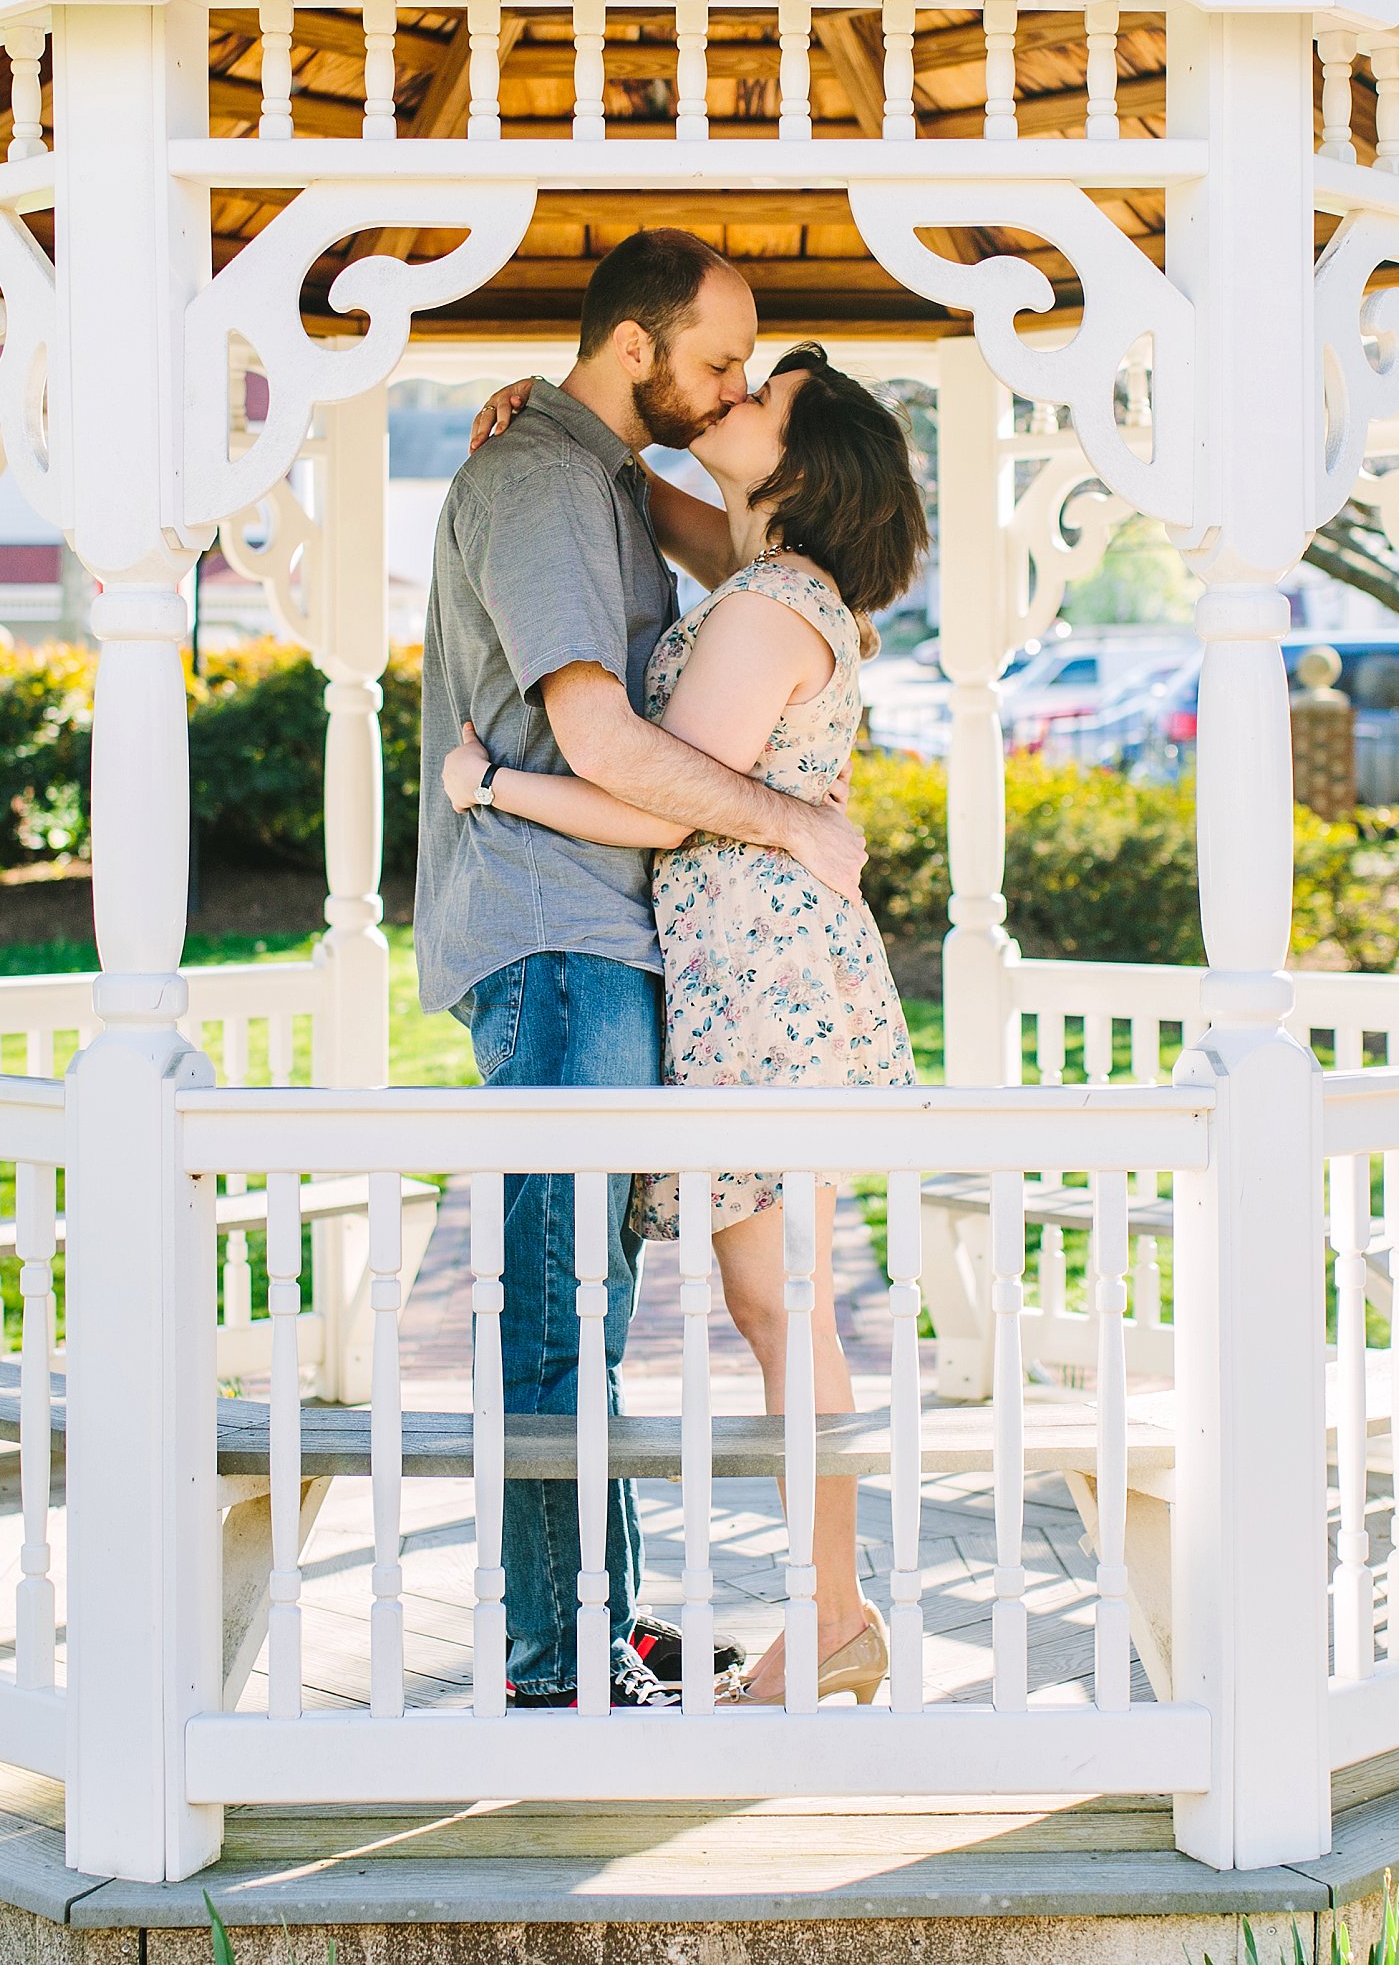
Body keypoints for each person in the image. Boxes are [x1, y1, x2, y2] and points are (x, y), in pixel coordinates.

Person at [415, 229, 870, 1710]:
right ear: (637, 350)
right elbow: (610, 745)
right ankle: (562, 1660)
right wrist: (795, 821)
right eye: (723, 362)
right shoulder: (554, 480)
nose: (733, 383)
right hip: (559, 936)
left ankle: (608, 1623)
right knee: (561, 1307)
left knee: (595, 1306)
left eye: (753, 381)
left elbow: (739, 556)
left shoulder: (625, 493)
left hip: (643, 945)